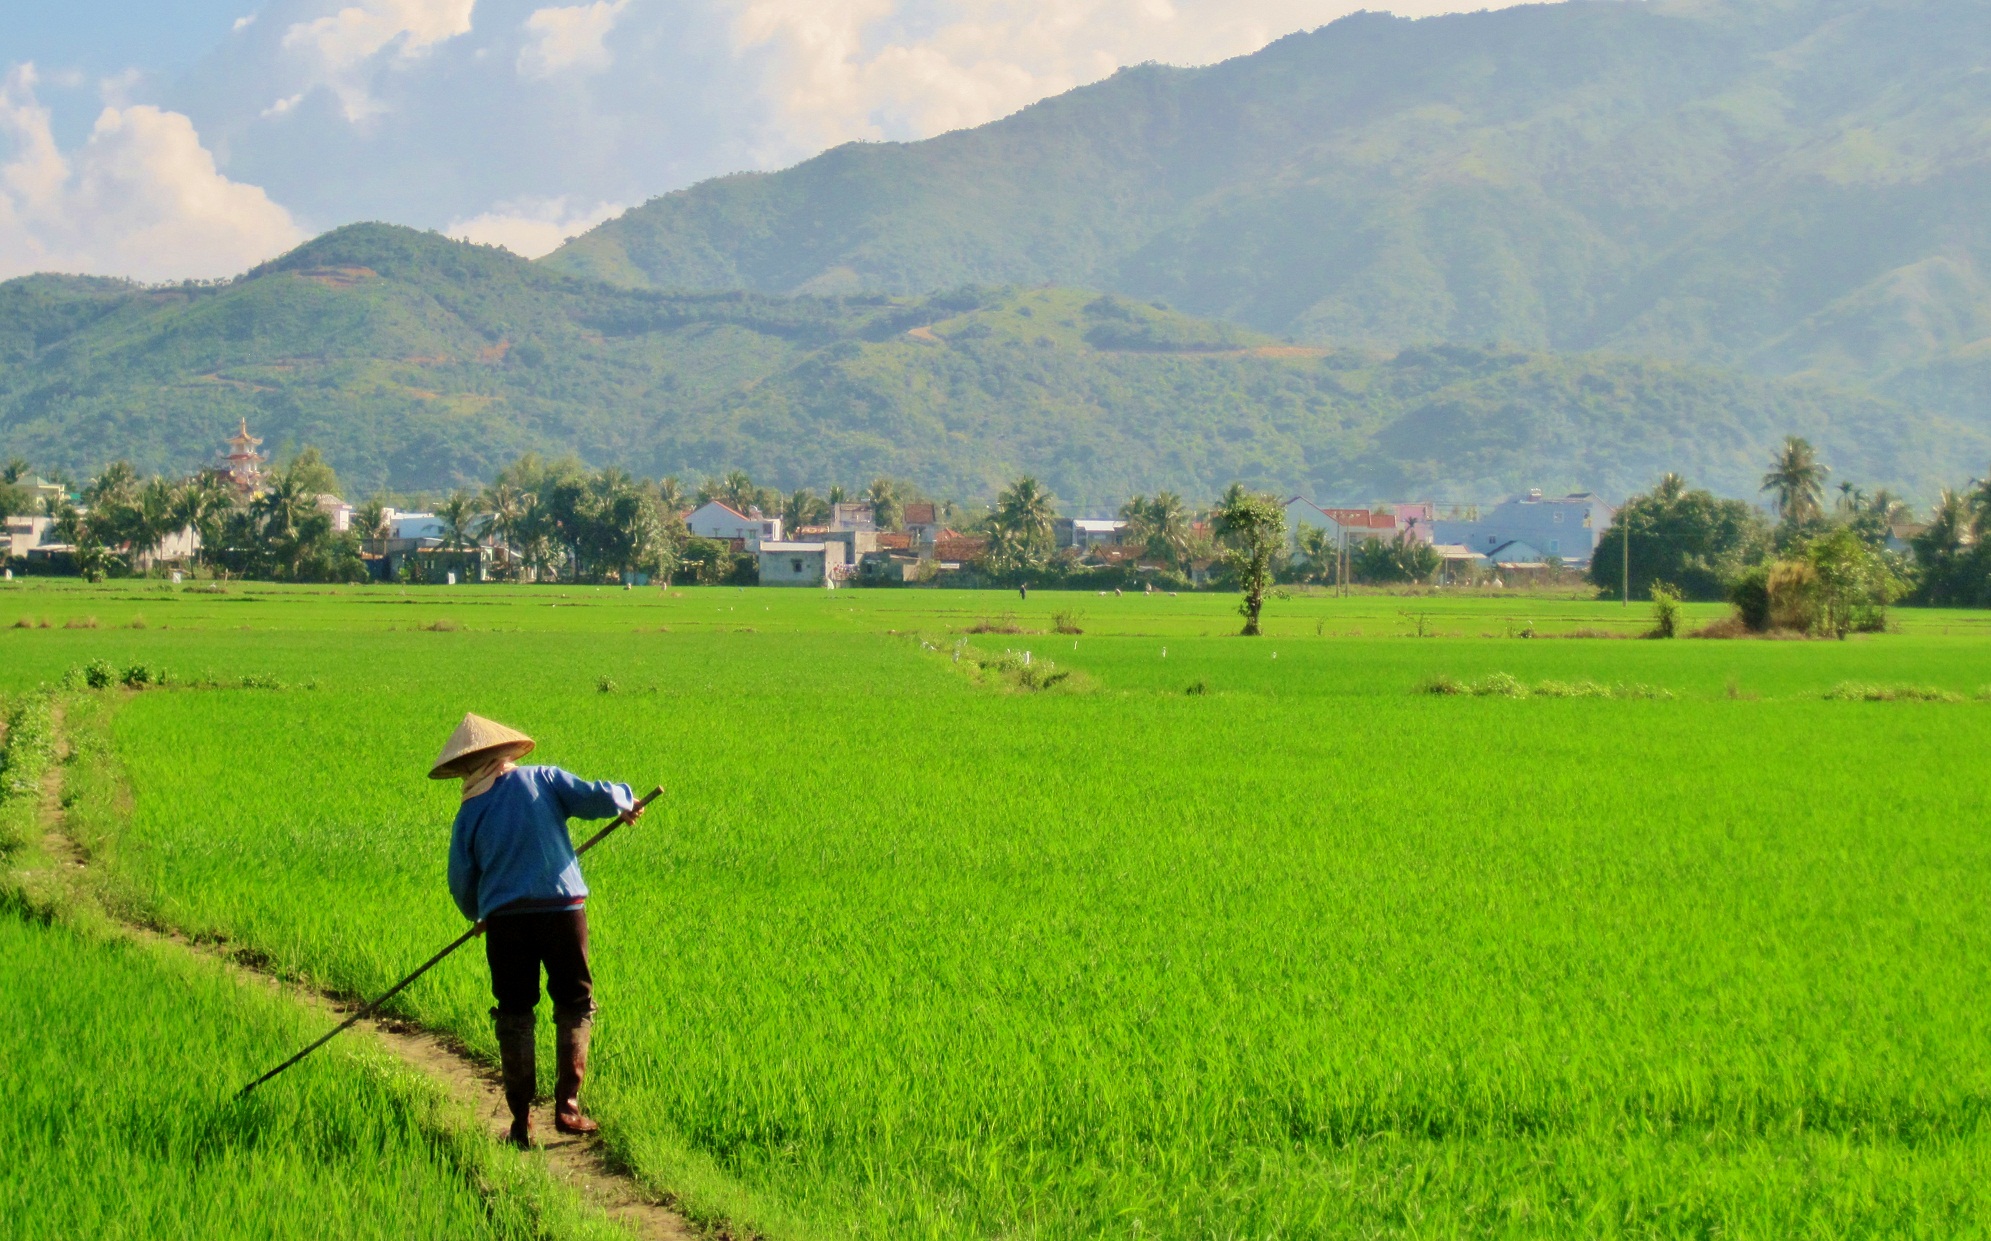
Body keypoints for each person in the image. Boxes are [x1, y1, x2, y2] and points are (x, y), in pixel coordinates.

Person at [432, 713, 643, 1148]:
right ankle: (568, 1106)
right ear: (504, 754)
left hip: (506, 923)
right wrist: (623, 801)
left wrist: (480, 912)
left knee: (514, 1012)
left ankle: (521, 1121)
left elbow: (461, 879)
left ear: (468, 767)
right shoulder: (543, 778)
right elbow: (591, 797)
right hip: (562, 910)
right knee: (575, 1001)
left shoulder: (469, 810)